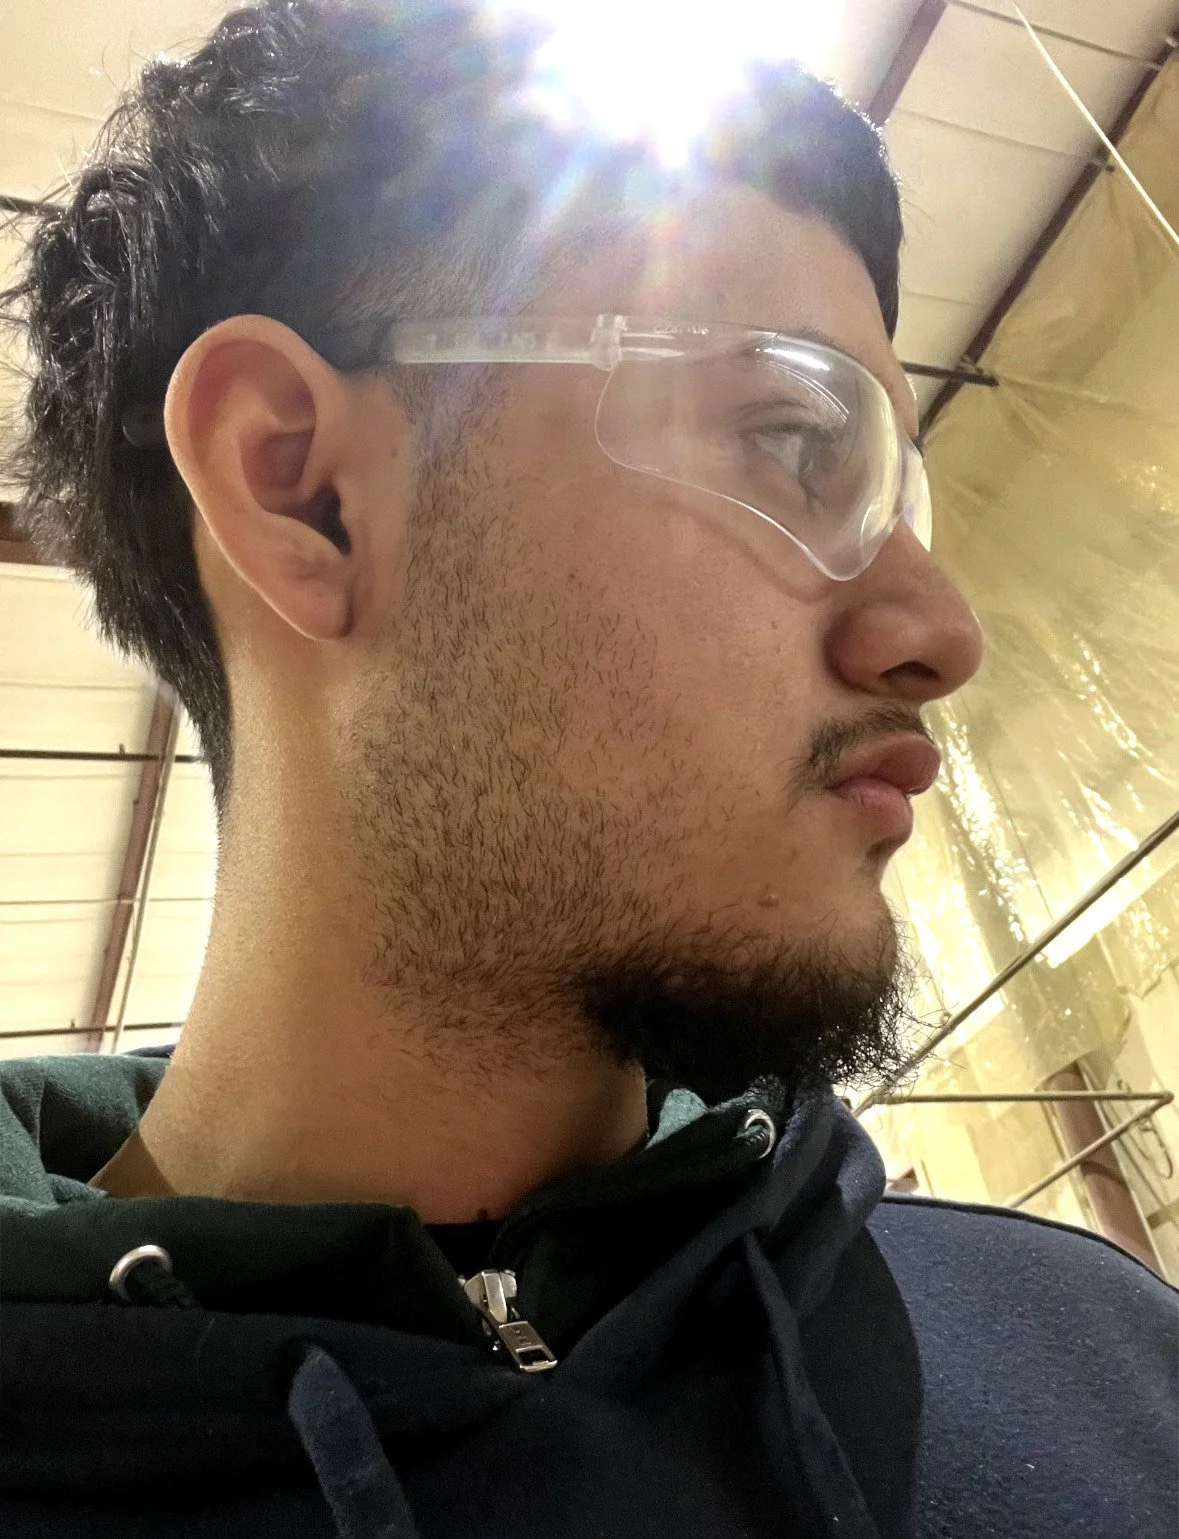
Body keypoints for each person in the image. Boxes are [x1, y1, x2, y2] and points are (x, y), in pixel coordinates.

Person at [0, 2, 1174, 1534]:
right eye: (790, 439)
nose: (938, 632)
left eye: (902, 497)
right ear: (304, 490)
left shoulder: (1097, 1363)